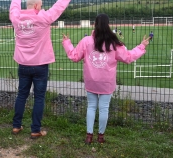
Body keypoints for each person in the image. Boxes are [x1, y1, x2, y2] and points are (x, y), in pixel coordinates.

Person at [10, 0, 82, 139]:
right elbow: (59, 7)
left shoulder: (16, 18)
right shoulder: (43, 18)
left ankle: (16, 126)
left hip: (23, 63)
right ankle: (35, 129)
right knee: (39, 97)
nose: (42, 8)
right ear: (36, 6)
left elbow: (14, 8)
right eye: (41, 6)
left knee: (22, 94)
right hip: (41, 64)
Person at [62, 14, 150, 144]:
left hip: (91, 81)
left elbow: (74, 56)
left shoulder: (87, 41)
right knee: (104, 108)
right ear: (108, 25)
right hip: (107, 82)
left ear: (95, 24)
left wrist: (67, 43)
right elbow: (128, 57)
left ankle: (89, 136)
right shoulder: (113, 43)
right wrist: (141, 46)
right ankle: (101, 136)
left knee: (91, 107)